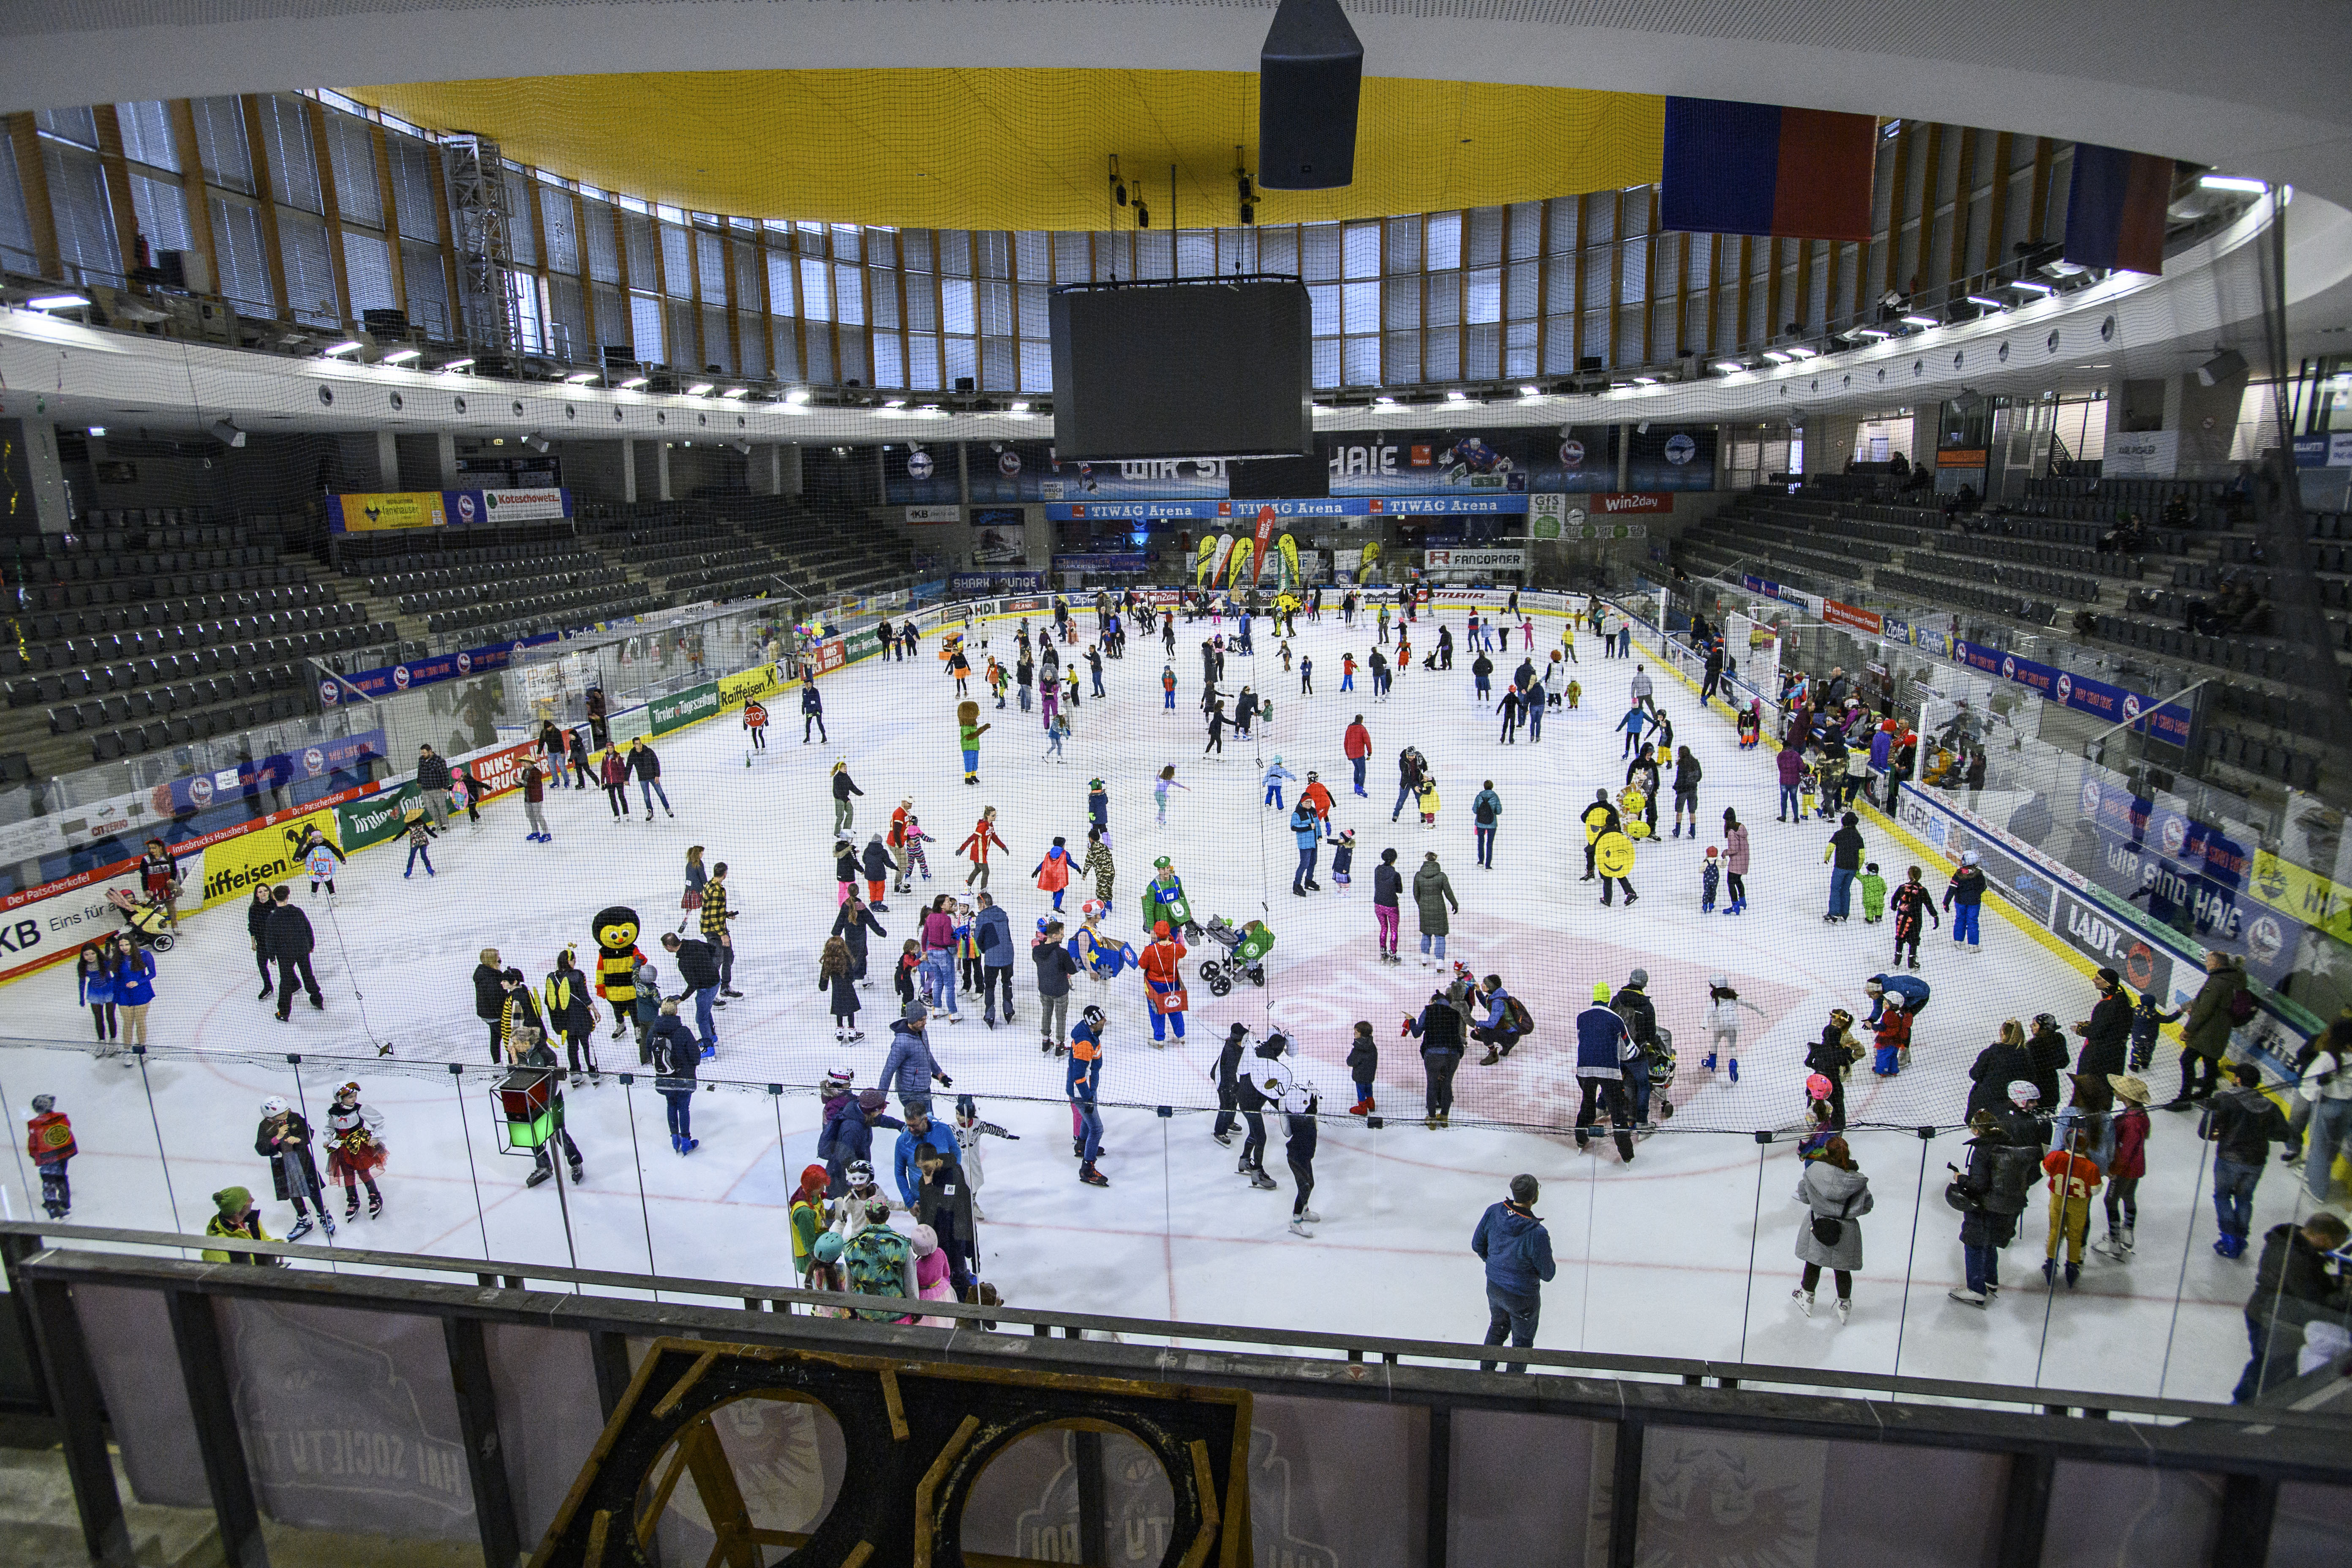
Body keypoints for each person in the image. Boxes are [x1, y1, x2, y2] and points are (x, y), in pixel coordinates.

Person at [2235, 1213, 2352, 1402]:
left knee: (2268, 1363)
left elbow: (2312, 1281)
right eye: (2335, 1243)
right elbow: (2316, 1301)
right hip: (2268, 1317)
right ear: (2323, 1238)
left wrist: (2339, 1281)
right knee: (2266, 1365)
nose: (2336, 1249)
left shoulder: (2293, 1244)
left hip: (2268, 1312)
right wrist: (2345, 1291)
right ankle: (2242, 1404)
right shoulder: (2295, 1257)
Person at [1946, 1110, 2041, 1306]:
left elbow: (1979, 1185)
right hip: (2003, 1205)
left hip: (1984, 1207)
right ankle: (1991, 1281)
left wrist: (1961, 1178)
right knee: (1989, 1242)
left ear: (1976, 1130)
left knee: (1973, 1244)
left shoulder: (1982, 1151)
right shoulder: (2008, 1143)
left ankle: (1976, 1290)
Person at [2204, 1062, 2293, 1258]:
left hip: (2229, 1159)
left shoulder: (2223, 1100)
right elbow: (2283, 1134)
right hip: (2256, 1162)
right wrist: (2260, 1132)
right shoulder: (2270, 1106)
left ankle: (2229, 1239)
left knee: (2222, 1196)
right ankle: (2241, 1239)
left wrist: (2211, 1116)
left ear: (2238, 1080)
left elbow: (2205, 1132)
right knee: (2244, 1199)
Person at [1790, 1137, 1871, 1322]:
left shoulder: (1814, 1172)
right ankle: (1844, 1306)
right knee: (1842, 1270)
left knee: (1813, 1263)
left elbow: (1803, 1196)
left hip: (1818, 1224)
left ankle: (1807, 1297)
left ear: (1827, 1152)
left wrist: (1821, 1204)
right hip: (1846, 1230)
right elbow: (1867, 1206)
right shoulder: (1857, 1181)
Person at [2167, 950, 2246, 1109]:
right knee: (2210, 1061)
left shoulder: (2217, 982)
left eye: (2209, 961)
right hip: (2220, 1029)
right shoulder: (2230, 979)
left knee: (2187, 1060)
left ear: (2217, 964)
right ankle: (2207, 1091)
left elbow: (2205, 1009)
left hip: (2208, 1030)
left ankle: (2184, 1099)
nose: (2206, 964)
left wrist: (2189, 1030)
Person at [1573, 983, 1639, 1160]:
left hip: (1584, 1069)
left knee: (1587, 1103)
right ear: (1608, 998)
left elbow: (1583, 1040)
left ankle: (1581, 1138)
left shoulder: (1582, 1017)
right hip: (1610, 1071)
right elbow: (1630, 1050)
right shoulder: (1616, 1019)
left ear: (1594, 996)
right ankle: (1626, 1154)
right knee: (1617, 1112)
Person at [256, 1094, 331, 1241]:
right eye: (282, 1113)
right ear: (272, 1116)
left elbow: (309, 1133)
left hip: (302, 1160)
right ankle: (304, 1218)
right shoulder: (265, 1127)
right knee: (293, 1192)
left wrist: (299, 1139)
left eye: (286, 1110)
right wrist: (276, 1139)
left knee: (312, 1188)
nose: (287, 1113)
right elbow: (261, 1148)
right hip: (283, 1164)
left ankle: (323, 1213)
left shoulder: (294, 1118)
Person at [2096, 1073, 2154, 1259]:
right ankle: (2127, 1232)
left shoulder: (2130, 1122)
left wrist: (2115, 1170)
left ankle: (2114, 1242)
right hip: (2137, 1167)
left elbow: (2127, 1149)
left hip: (2126, 1169)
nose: (2116, 1092)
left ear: (2127, 1096)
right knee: (2129, 1196)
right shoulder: (2141, 1116)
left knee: (2110, 1201)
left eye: (2119, 1091)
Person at [2040, 1127, 2103, 1287]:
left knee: (2055, 1231)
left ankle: (2051, 1263)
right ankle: (2073, 1266)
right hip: (2080, 1204)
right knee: (2075, 1234)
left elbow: (2045, 1171)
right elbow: (2096, 1189)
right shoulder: (2091, 1167)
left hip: (2058, 1200)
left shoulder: (2056, 1157)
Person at [2299, 1027, 2352, 1210]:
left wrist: (2312, 1097)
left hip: (2329, 1104)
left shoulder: (2329, 1058)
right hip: (2348, 1107)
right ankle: (2317, 1177)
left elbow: (2308, 1082)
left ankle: (2317, 1189)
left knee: (2319, 1147)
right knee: (2333, 1145)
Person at [1406, 988, 1467, 1129]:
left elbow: (1416, 1033)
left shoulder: (1429, 1010)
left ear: (1434, 1001)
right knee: (1447, 1084)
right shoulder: (1455, 1014)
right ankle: (1444, 1118)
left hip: (1434, 1054)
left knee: (1432, 1085)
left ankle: (1432, 1119)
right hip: (1453, 1055)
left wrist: (1412, 1021)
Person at [881, 1000, 953, 1110]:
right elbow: (888, 1070)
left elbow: (926, 1054)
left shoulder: (922, 1032)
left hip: (924, 1088)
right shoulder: (901, 1043)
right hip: (910, 1094)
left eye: (925, 1019)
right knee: (923, 1124)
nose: (925, 1023)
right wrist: (880, 1099)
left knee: (929, 1122)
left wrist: (938, 1073)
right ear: (912, 1020)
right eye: (921, 1020)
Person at [660, 931, 721, 1056]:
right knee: (706, 1010)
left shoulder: (683, 962)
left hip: (706, 987)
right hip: (715, 980)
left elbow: (693, 984)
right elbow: (712, 948)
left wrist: (681, 999)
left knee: (701, 1018)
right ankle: (712, 1036)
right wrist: (707, 966)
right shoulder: (694, 943)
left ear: (669, 947)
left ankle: (709, 1048)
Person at [264, 887, 320, 1021]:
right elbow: (308, 929)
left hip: (285, 954)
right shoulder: (298, 912)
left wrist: (271, 956)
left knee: (286, 981)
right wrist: (310, 945)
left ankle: (284, 1012)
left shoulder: (273, 918)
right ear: (288, 896)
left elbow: (270, 938)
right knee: (307, 974)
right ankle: (317, 1000)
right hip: (302, 950)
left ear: (274, 897)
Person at [1068, 1004, 1110, 1186]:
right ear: (1094, 1023)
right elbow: (1078, 1076)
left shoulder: (1092, 1035)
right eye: (1102, 1019)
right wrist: (1086, 1098)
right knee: (1097, 1129)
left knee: (1087, 1120)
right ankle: (1087, 1169)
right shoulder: (1085, 1043)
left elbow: (1096, 1061)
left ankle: (1082, 1146)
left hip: (1088, 1089)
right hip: (1082, 1093)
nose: (1105, 1021)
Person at [1966, 1020, 2034, 1122]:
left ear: (2003, 1033)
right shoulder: (2026, 1055)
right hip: (2011, 1105)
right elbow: (2031, 1077)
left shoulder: (1992, 1052)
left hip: (1986, 1103)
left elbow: (1975, 1074)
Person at [1805, 1008, 1861, 1131]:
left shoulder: (1816, 1049)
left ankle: (1815, 1126)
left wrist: (1819, 1068)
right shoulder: (1840, 1053)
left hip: (1818, 1079)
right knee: (1838, 1105)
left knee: (1815, 1101)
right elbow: (1845, 1065)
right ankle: (1837, 1128)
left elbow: (1807, 1063)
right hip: (1833, 1081)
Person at [2073, 968, 2134, 1079]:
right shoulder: (2119, 998)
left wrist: (2081, 1030)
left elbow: (2098, 1031)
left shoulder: (2109, 1004)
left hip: (2101, 1056)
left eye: (2098, 978)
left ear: (2107, 983)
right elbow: (2111, 1023)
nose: (2093, 980)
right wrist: (2091, 1024)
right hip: (2113, 1054)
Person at [1703, 977, 1764, 1081]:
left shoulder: (1715, 999)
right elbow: (1749, 1004)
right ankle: (1733, 1064)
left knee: (1715, 1041)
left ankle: (1712, 1062)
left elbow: (1708, 1011)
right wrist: (1761, 1012)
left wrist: (1704, 1023)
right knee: (1732, 1046)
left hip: (1720, 1024)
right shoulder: (1733, 998)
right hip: (1733, 1023)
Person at [202, 1186, 280, 1266]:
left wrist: (279, 1246)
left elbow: (264, 1240)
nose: (253, 1200)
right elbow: (220, 1274)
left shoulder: (251, 1221)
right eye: (249, 1198)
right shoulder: (218, 1243)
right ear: (239, 1208)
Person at [1032, 917, 1078, 1054]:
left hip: (1044, 989)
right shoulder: (1062, 953)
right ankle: (1060, 1046)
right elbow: (1072, 970)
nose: (1064, 935)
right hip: (1060, 991)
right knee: (1060, 1017)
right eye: (1062, 933)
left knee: (1046, 1014)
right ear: (1054, 936)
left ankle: (1045, 1042)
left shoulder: (1037, 951)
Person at [26, 1094, 74, 1219]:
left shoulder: (35, 1124)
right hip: (63, 1154)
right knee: (61, 1178)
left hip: (47, 1158)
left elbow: (33, 1145)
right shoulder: (62, 1117)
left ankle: (52, 1206)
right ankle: (65, 1202)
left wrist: (35, 1157)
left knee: (49, 1182)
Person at [1413, 852, 1458, 966]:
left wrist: (1421, 904)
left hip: (1425, 908)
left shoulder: (1419, 875)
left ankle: (1424, 959)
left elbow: (1416, 894)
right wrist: (1455, 904)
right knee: (1440, 935)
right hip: (1439, 909)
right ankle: (1440, 963)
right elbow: (1449, 893)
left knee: (1426, 933)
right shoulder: (1441, 876)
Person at [1889, 865, 1939, 967]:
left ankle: (1897, 959)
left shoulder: (1902, 888)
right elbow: (1929, 905)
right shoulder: (1922, 890)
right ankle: (1912, 962)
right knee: (1914, 939)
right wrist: (1935, 916)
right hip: (1915, 919)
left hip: (1902, 917)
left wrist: (1894, 907)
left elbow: (1894, 899)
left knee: (1900, 936)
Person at [1823, 811, 1865, 923]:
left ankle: (1833, 913)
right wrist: (1858, 867)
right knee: (1846, 889)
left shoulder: (1839, 834)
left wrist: (1826, 858)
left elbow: (1830, 848)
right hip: (1852, 869)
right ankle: (1844, 913)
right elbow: (1862, 856)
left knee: (1836, 889)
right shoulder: (1859, 838)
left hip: (1840, 868)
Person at [1943, 850, 1987, 951]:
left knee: (1960, 919)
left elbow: (1952, 889)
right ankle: (1973, 946)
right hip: (1974, 903)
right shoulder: (1979, 874)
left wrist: (1946, 902)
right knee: (1973, 921)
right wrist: (1976, 894)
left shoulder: (1958, 875)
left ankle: (1958, 941)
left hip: (1960, 902)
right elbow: (1984, 887)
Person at [629, 738, 675, 820]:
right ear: (634, 745)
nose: (639, 745)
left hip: (653, 777)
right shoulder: (632, 754)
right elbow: (629, 766)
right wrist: (626, 779)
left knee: (661, 793)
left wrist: (657, 775)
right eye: (637, 744)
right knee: (646, 797)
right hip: (643, 779)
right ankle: (650, 812)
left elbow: (656, 763)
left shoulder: (649, 751)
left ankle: (668, 808)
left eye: (640, 743)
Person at [415, 744, 454, 831]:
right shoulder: (421, 760)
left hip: (437, 788)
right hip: (425, 789)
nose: (423, 755)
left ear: (430, 751)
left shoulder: (439, 760)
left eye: (424, 753)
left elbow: (445, 774)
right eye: (422, 753)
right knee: (430, 808)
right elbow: (420, 771)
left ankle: (445, 824)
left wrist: (445, 786)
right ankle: (437, 823)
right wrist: (419, 781)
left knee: (441, 807)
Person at [1288, 803, 1321, 896]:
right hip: (1305, 844)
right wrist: (1308, 827)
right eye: (1307, 802)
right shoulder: (1297, 813)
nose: (1309, 804)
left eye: (1311, 802)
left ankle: (1309, 881)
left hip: (1314, 843)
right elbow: (1294, 827)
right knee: (1304, 864)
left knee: (1313, 862)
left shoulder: (1313, 811)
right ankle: (1297, 885)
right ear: (1302, 803)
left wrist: (1319, 835)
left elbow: (1317, 824)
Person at [1471, 781, 1501, 869]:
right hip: (1492, 824)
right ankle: (1488, 865)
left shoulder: (1480, 796)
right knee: (1490, 843)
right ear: (1492, 787)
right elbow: (1499, 811)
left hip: (1480, 823)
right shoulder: (1495, 797)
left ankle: (1481, 861)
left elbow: (1475, 810)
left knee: (1481, 842)